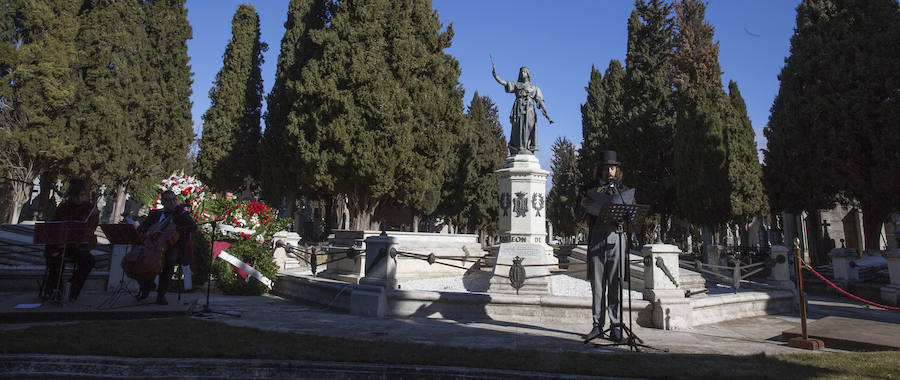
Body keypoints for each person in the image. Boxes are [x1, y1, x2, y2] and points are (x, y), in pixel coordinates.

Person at [580, 151, 635, 343]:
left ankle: (616, 326)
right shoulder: (590, 189)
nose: (609, 171)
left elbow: (632, 212)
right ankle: (597, 325)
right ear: (600, 170)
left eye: (612, 168)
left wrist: (629, 215)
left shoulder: (624, 190)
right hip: (597, 236)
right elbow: (580, 210)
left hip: (617, 236)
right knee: (597, 284)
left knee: (615, 283)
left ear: (616, 170)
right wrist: (582, 203)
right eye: (605, 168)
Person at [42, 179, 99, 302]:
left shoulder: (89, 207)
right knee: (54, 259)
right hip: (61, 244)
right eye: (76, 196)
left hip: (78, 246)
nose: (79, 199)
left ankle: (72, 290)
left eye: (82, 195)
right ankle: (57, 290)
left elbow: (92, 226)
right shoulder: (64, 207)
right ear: (71, 195)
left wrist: (95, 214)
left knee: (89, 261)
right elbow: (53, 227)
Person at [136, 190, 196, 305]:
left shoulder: (181, 214)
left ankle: (161, 294)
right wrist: (148, 233)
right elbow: (142, 228)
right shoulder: (155, 214)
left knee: (170, 261)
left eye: (174, 199)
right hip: (154, 246)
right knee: (142, 261)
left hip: (173, 246)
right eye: (168, 200)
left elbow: (193, 228)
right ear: (163, 202)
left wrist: (182, 215)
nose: (172, 203)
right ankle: (147, 286)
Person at [491, 59, 553, 155]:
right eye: (521, 72)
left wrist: (546, 113)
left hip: (530, 108)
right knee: (517, 127)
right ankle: (518, 147)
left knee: (529, 126)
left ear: (528, 74)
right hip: (518, 109)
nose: (522, 74)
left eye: (524, 72)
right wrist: (496, 76)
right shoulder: (516, 85)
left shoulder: (535, 88)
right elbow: (503, 82)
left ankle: (527, 148)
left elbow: (540, 100)